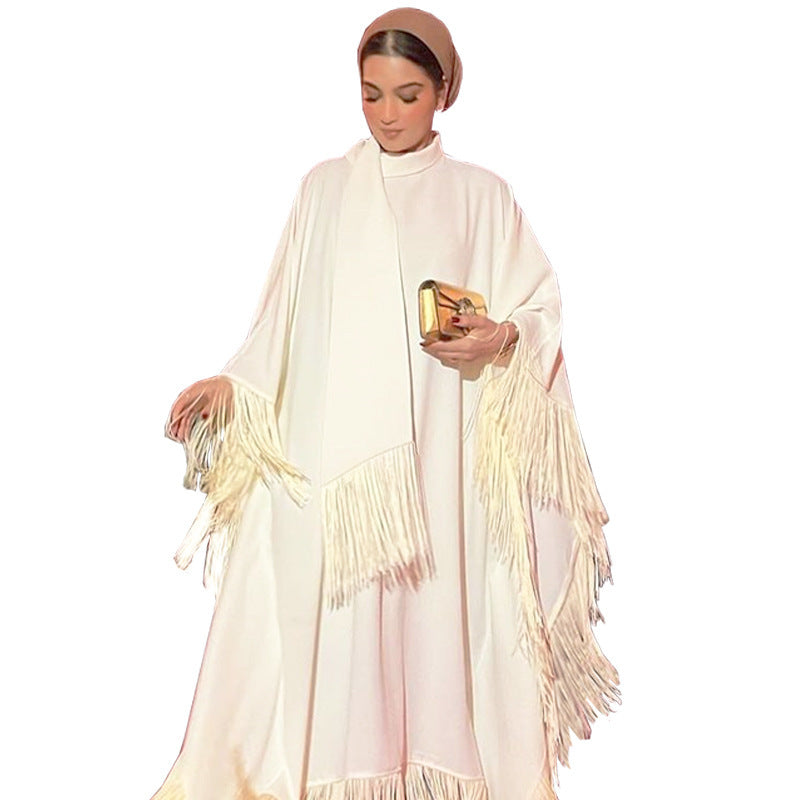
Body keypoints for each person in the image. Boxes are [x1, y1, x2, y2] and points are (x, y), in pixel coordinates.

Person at [153, 8, 620, 800]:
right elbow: (283, 322)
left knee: (437, 623)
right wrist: (231, 387)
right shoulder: (325, 190)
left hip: (444, 462)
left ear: (444, 91)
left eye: (408, 95)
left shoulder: (480, 197)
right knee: (344, 641)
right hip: (339, 481)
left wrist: (501, 336)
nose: (388, 115)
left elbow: (537, 307)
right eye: (371, 94)